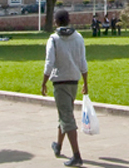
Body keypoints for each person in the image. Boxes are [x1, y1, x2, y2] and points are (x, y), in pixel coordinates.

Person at [41, 10, 89, 167]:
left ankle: (77, 155)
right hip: (74, 81)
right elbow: (83, 61)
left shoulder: (54, 39)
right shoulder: (78, 37)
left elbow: (49, 62)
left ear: (55, 22)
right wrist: (85, 82)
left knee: (67, 117)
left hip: (60, 82)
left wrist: (44, 82)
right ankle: (58, 145)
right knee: (65, 113)